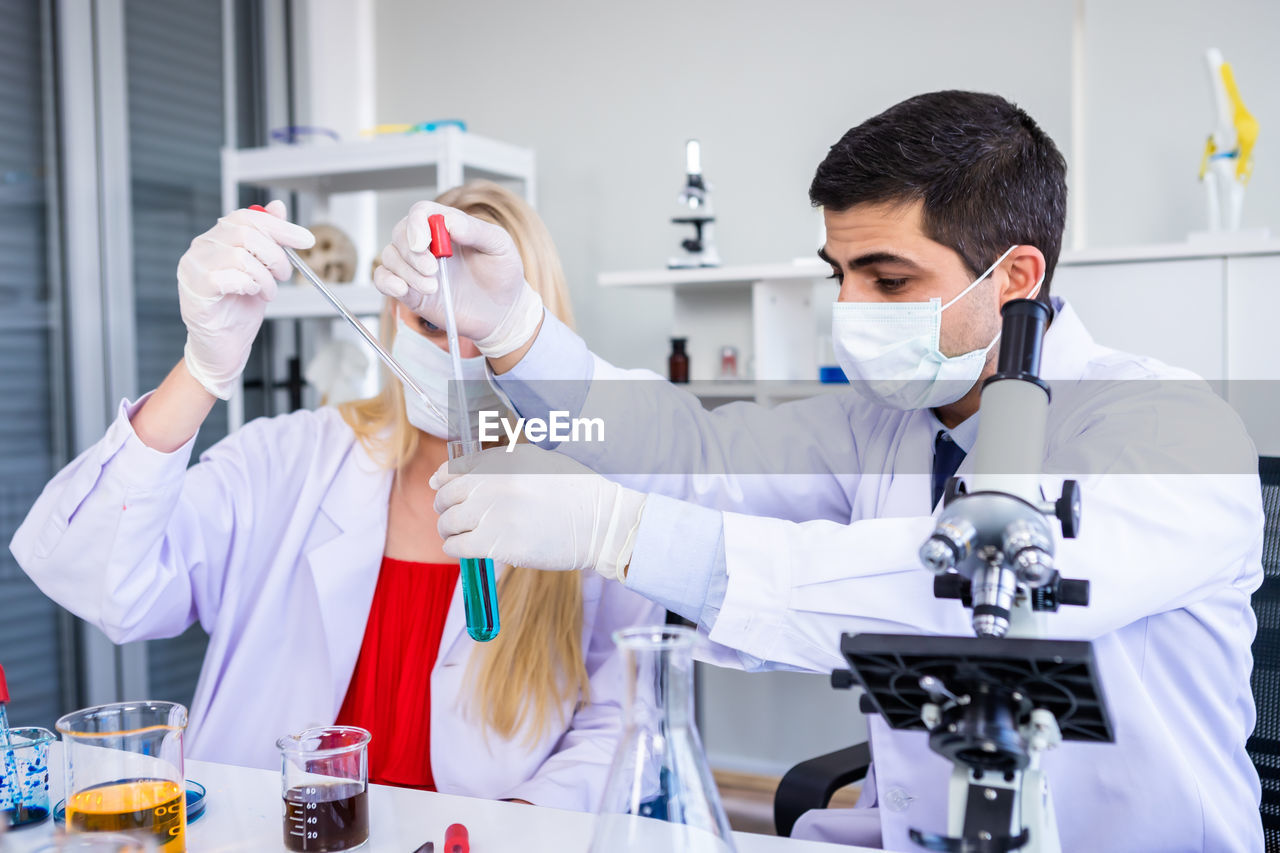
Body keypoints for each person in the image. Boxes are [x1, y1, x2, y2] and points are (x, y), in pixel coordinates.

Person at [372, 92, 1265, 851]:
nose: (849, 309)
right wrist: (515, 330)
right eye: (839, 273)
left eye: (887, 280)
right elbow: (693, 454)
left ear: (1014, 276)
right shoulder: (885, 422)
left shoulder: (1172, 433)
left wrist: (619, 531)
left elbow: (965, 603)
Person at [11, 181, 659, 811]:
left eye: (488, 328)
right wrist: (201, 372)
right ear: (392, 317)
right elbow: (96, 576)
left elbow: (621, 719)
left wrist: (520, 819)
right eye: (432, 322)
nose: (458, 352)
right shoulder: (287, 459)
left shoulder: (590, 490)